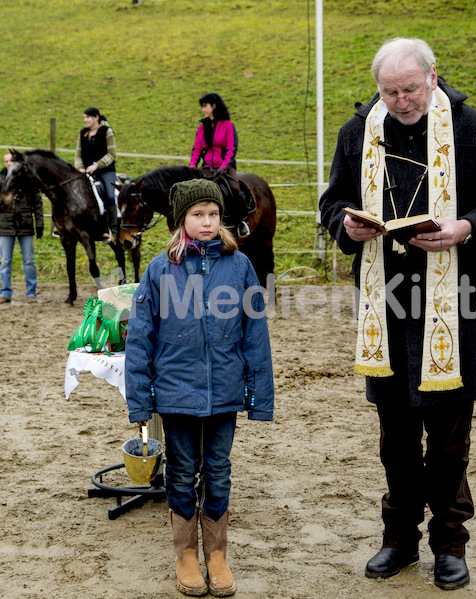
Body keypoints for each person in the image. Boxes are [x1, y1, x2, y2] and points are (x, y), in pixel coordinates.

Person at [319, 38, 476, 591]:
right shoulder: (356, 132)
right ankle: (399, 539)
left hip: (455, 309)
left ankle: (450, 544)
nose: (401, 100)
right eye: (390, 91)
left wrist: (464, 229)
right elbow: (332, 201)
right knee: (397, 440)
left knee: (450, 440)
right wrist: (347, 225)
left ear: (434, 76)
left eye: (410, 88)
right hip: (384, 309)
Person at [125, 178, 274, 597]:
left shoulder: (239, 266)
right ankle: (185, 553)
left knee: (219, 470)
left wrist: (259, 397)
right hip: (175, 393)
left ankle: (217, 553)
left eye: (212, 214)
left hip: (225, 390)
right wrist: (140, 400)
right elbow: (140, 338)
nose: (207, 222)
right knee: (181, 470)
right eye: (197, 215)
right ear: (181, 221)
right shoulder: (158, 269)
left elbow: (255, 334)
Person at [189, 92, 250, 238]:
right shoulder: (201, 129)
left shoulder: (228, 126)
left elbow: (231, 149)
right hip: (207, 167)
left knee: (235, 188)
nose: (203, 110)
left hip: (226, 167)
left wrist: (223, 167)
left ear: (214, 106)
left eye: (205, 106)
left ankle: (242, 222)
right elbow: (196, 150)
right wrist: (191, 169)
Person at [0, 153, 44, 304]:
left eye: (11, 161)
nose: (9, 163)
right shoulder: (1, 180)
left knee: (29, 261)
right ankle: (5, 292)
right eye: (6, 161)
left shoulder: (29, 181)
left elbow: (37, 202)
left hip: (25, 226)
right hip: (5, 227)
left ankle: (31, 293)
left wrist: (39, 223)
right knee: (5, 261)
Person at [74, 107, 119, 244]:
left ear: (96, 117)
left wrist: (96, 165)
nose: (85, 120)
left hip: (105, 171)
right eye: (84, 118)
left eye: (87, 117)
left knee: (110, 195)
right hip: (86, 172)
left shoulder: (106, 131)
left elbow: (111, 154)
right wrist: (80, 168)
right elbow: (78, 154)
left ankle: (113, 231)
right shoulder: (83, 133)